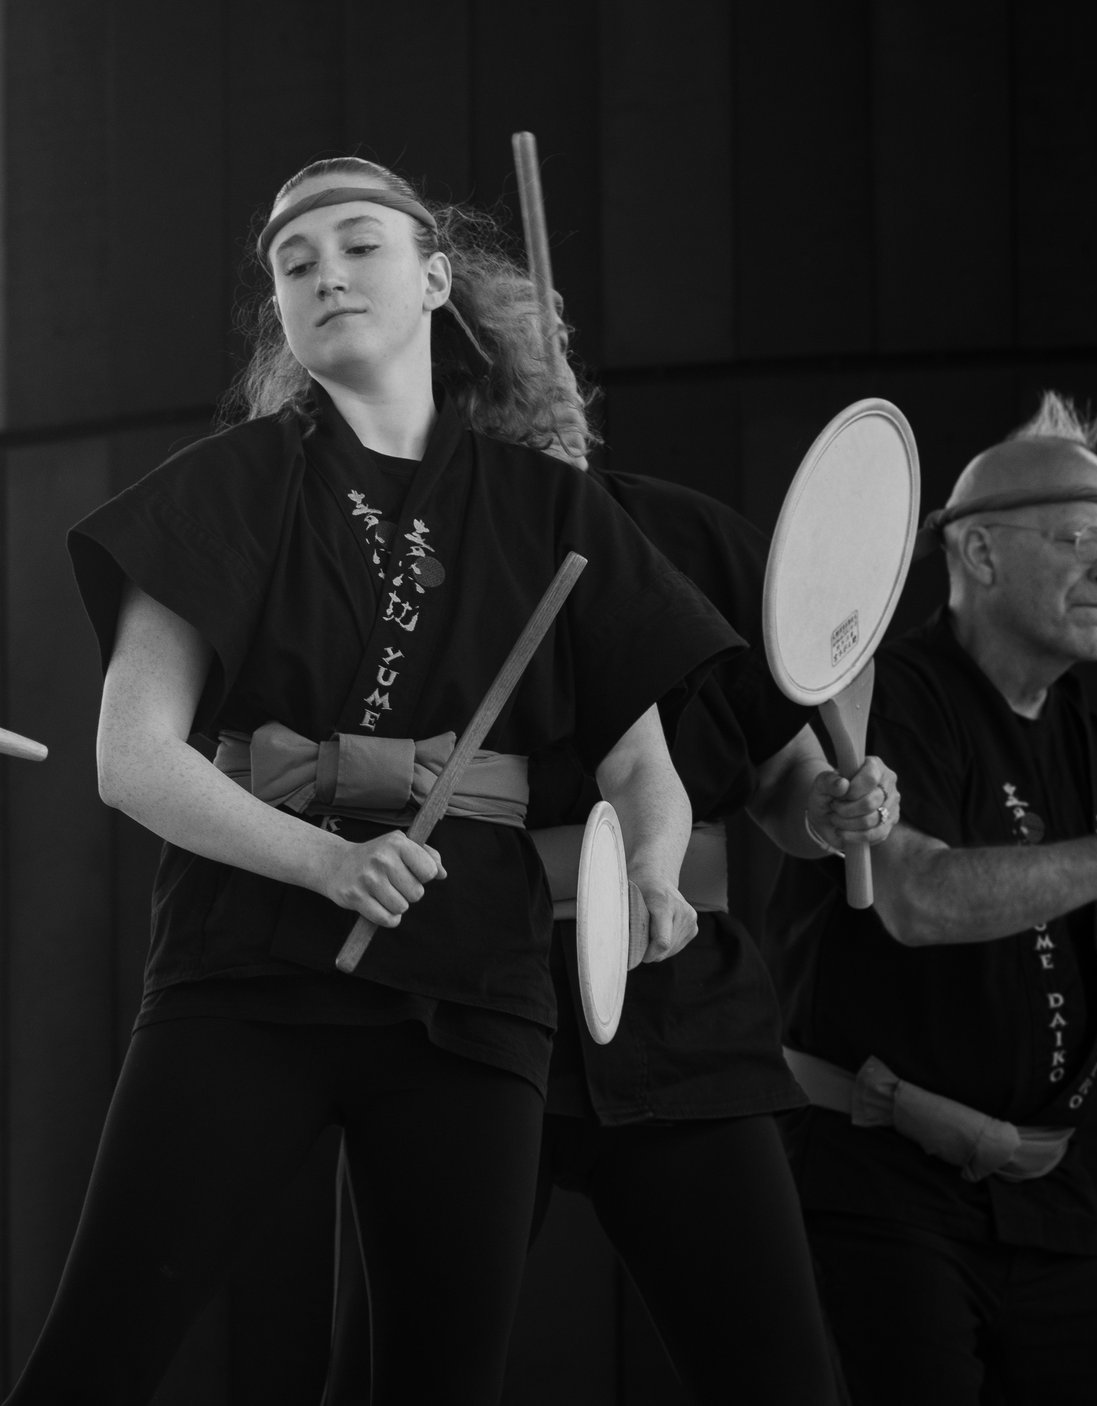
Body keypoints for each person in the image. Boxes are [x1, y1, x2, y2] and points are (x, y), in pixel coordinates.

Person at [3, 157, 740, 1406]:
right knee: (96, 1354)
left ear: (435, 279)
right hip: (244, 968)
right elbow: (130, 759)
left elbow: (640, 767)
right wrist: (326, 859)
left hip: (475, 982)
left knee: (435, 1386)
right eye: (294, 265)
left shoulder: (551, 510)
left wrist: (654, 871)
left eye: (359, 245)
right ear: (280, 318)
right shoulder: (226, 484)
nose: (325, 273)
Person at [313, 257, 890, 1405]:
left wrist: (822, 809)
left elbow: (777, 770)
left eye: (454, 382)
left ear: (515, 381)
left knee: (784, 1383)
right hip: (456, 1011)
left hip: (682, 1008)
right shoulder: (378, 573)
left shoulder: (689, 538)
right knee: (397, 1384)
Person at [768, 393, 1097, 1404]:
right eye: (1081, 538)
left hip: (1042, 1199)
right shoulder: (884, 695)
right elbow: (913, 895)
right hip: (876, 1181)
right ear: (980, 554)